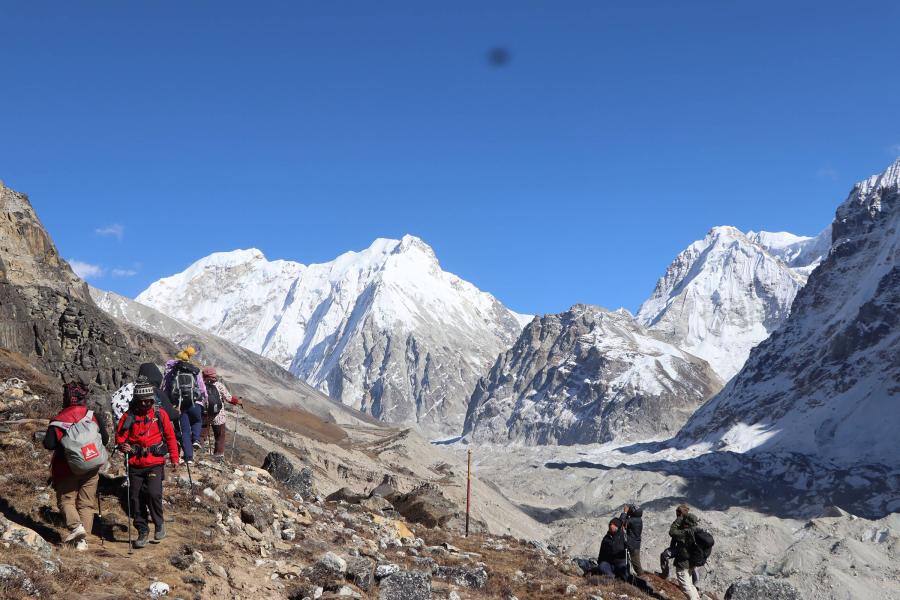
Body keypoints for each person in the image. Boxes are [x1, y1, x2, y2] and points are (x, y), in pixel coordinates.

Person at [43, 383, 108, 551]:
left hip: (66, 469)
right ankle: (83, 543)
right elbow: (106, 439)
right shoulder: (93, 416)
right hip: (92, 465)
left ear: (67, 398)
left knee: (66, 500)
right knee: (86, 504)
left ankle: (76, 528)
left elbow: (49, 444)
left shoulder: (59, 419)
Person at [115, 377, 180, 549]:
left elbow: (170, 437)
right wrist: (123, 445)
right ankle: (142, 531)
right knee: (135, 499)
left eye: (148, 401)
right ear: (136, 400)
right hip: (135, 463)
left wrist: (174, 458)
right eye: (142, 401)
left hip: (155, 462)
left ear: (152, 400)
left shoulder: (160, 414)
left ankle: (159, 524)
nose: (145, 404)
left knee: (153, 493)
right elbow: (120, 437)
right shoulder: (128, 416)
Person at [162, 347, 207, 464]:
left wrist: (170, 403)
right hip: (195, 402)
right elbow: (202, 388)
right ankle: (196, 439)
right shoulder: (194, 371)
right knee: (197, 421)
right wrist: (204, 400)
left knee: (185, 431)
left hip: (180, 404)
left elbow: (165, 388)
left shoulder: (171, 371)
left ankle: (189, 458)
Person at [199, 367, 242, 461]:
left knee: (202, 435)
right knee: (220, 436)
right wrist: (238, 401)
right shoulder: (219, 385)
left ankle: (197, 453)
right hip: (219, 415)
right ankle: (218, 455)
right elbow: (229, 398)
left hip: (204, 415)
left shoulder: (200, 385)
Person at [667, 504, 702, 600]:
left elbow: (672, 532)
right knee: (690, 584)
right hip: (691, 561)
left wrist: (678, 520)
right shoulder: (696, 529)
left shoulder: (686, 532)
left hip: (684, 562)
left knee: (685, 586)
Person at [619, 503, 644, 575]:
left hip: (632, 544)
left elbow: (621, 522)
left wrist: (625, 512)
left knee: (636, 563)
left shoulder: (633, 520)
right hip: (634, 543)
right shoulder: (637, 519)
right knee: (633, 561)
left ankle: (642, 577)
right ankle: (627, 572)